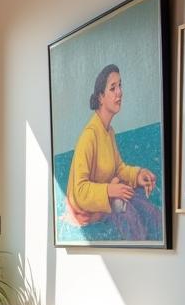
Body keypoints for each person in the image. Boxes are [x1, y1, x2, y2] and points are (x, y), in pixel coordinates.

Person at [64, 64, 161, 241]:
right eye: (113, 88)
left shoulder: (109, 132)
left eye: (120, 86)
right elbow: (78, 192)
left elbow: (118, 168)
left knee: (150, 210)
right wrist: (110, 190)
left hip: (107, 201)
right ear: (101, 97)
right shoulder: (89, 136)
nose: (119, 92)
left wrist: (138, 175)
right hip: (86, 212)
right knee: (131, 214)